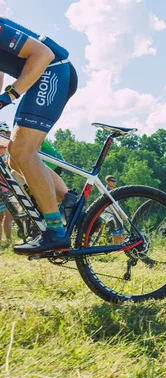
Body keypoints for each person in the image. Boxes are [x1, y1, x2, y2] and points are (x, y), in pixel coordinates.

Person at [0, 17, 78, 253]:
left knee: (23, 150)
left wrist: (10, 95)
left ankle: (55, 231)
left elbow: (43, 54)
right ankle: (71, 207)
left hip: (52, 69)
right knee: (15, 159)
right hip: (42, 76)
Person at [104, 175, 124, 245]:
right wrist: (116, 212)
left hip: (116, 213)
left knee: (121, 232)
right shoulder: (106, 191)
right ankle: (116, 247)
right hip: (110, 213)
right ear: (107, 182)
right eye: (112, 181)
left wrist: (120, 213)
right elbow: (108, 205)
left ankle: (122, 247)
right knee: (115, 233)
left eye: (115, 181)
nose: (114, 183)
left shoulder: (113, 191)